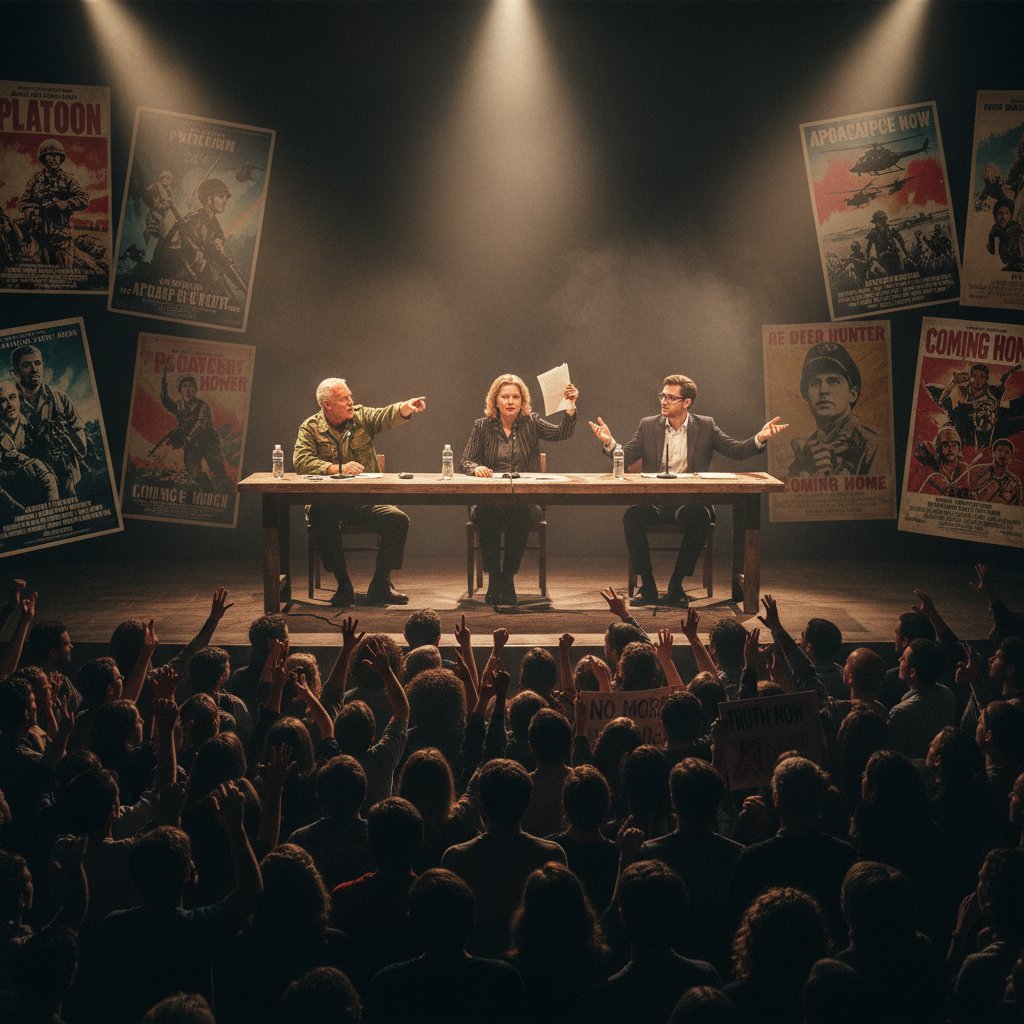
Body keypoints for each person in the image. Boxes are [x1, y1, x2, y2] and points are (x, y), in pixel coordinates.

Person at [589, 374, 786, 606]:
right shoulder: (648, 425)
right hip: (655, 502)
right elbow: (627, 454)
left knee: (700, 516)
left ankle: (676, 585)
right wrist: (610, 442)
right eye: (662, 396)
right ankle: (648, 587)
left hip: (689, 502)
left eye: (670, 397)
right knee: (632, 516)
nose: (664, 401)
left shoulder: (705, 426)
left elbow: (736, 450)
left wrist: (760, 437)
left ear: (686, 402)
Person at [293, 377, 426, 606]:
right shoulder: (311, 427)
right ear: (327, 405)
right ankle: (344, 585)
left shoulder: (360, 417)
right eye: (343, 399)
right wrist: (335, 468)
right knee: (318, 516)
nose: (350, 402)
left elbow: (384, 416)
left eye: (350, 396)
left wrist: (405, 408)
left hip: (365, 501)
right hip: (329, 504)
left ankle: (381, 584)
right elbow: (301, 460)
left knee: (397, 520)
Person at [461, 373, 578, 607]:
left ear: (522, 400)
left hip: (525, 502)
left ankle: (508, 578)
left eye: (515, 397)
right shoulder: (482, 426)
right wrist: (477, 468)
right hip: (491, 502)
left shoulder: (530, 422)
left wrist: (570, 407)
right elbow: (465, 461)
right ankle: (494, 578)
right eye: (505, 397)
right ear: (495, 400)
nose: (510, 401)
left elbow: (561, 433)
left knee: (520, 513)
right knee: (486, 513)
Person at [788, 342, 879, 478]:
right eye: (815, 383)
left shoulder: (873, 446)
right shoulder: (803, 453)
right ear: (806, 395)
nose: (823, 390)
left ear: (852, 394)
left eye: (833, 381)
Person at [11, 345, 87, 498]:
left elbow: (80, 442)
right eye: (27, 365)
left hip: (69, 479)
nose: (34, 369)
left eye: (38, 363)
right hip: (32, 484)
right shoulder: (9, 405)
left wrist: (66, 447)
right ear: (15, 372)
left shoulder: (60, 399)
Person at [152, 178, 242, 294]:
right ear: (209, 199)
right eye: (221, 196)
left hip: (201, 274)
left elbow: (219, 236)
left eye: (226, 197)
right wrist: (196, 254)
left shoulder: (214, 222)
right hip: (181, 277)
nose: (225, 201)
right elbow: (170, 249)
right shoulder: (193, 219)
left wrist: (218, 240)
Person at [17, 138, 88, 269]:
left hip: (61, 238)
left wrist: (65, 204)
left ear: (61, 159)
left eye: (57, 156)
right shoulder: (35, 180)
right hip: (38, 239)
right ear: (44, 158)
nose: (54, 158)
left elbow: (83, 198)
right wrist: (35, 208)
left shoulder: (68, 179)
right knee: (41, 276)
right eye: (50, 155)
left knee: (64, 274)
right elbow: (22, 203)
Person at [158, 367, 232, 492]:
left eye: (191, 386)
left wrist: (188, 437)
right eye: (184, 386)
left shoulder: (203, 406)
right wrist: (164, 387)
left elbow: (201, 424)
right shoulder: (179, 406)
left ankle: (228, 492)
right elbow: (166, 402)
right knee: (193, 470)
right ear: (180, 390)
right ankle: (209, 490)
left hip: (208, 441)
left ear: (195, 389)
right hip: (192, 443)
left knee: (218, 469)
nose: (188, 389)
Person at [926, 361, 1023, 450]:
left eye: (982, 377)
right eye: (974, 376)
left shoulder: (992, 391)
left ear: (986, 379)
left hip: (992, 419)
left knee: (1015, 411)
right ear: (970, 377)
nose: (977, 380)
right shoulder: (962, 390)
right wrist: (954, 382)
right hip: (971, 426)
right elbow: (942, 401)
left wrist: (1013, 371)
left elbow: (1003, 380)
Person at [0, 379, 59, 516]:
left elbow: (48, 460)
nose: (9, 404)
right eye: (2, 400)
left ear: (19, 399)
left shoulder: (34, 425)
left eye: (12, 397)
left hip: (39, 490)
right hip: (10, 501)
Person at [916, 424, 970, 497]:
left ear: (959, 447)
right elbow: (938, 483)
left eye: (954, 445)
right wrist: (948, 490)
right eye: (945, 446)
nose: (950, 450)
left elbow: (965, 486)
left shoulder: (963, 467)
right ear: (939, 448)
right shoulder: (934, 467)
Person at [963, 438, 1022, 505]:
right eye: (1000, 450)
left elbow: (1017, 506)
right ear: (993, 453)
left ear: (1011, 458)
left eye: (1007, 452)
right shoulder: (977, 470)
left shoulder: (1014, 483)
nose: (1003, 454)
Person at [864, 210, 911, 275]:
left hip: (894, 256)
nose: (883, 221)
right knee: (889, 274)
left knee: (899, 272)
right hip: (883, 259)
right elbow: (868, 248)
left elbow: (901, 241)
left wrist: (905, 253)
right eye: (881, 219)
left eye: (884, 219)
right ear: (876, 221)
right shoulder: (873, 233)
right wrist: (867, 259)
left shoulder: (890, 229)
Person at [987, 198, 1024, 272]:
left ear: (1010, 215)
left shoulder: (1015, 228)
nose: (1004, 217)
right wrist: (991, 247)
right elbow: (991, 245)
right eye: (1000, 214)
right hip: (1005, 262)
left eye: (1007, 213)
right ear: (995, 215)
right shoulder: (995, 229)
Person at [144, 171, 175, 253]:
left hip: (163, 214)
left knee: (163, 230)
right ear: (161, 179)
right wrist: (154, 203)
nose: (166, 180)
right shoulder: (155, 187)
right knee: (152, 230)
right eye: (164, 178)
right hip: (155, 212)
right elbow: (147, 195)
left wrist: (168, 203)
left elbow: (171, 202)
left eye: (168, 179)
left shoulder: (169, 190)